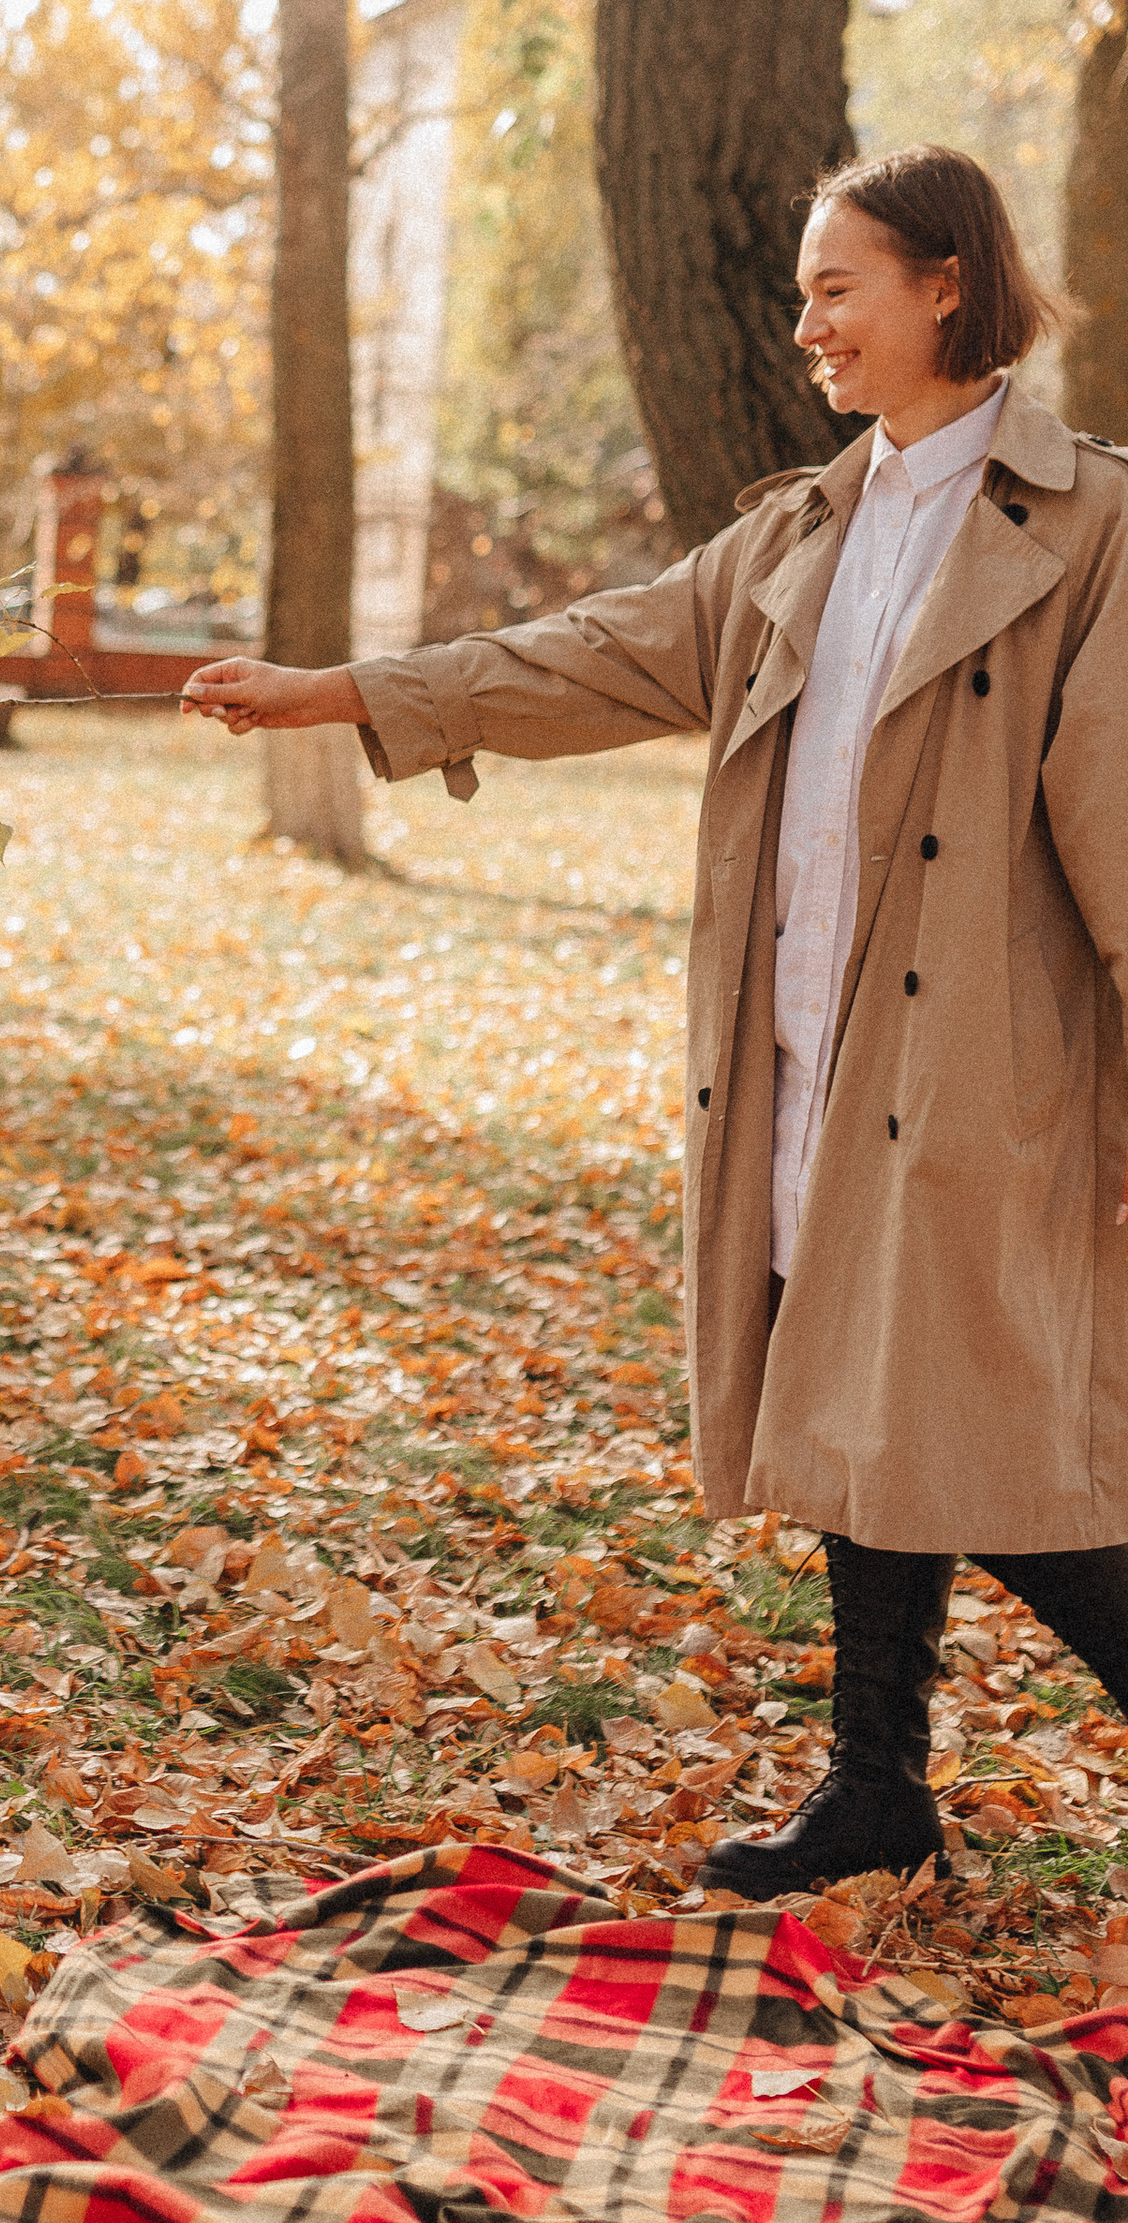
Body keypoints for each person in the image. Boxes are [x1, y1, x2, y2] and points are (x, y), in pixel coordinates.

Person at [185, 145, 1128, 1898]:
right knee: (860, 1384)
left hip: (984, 1063)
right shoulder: (796, 529)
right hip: (807, 1040)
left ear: (946, 285)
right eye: (799, 293)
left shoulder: (1093, 526)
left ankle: (880, 1781)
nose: (807, 326)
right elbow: (590, 654)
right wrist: (344, 693)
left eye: (836, 287)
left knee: (983, 1445)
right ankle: (877, 1786)